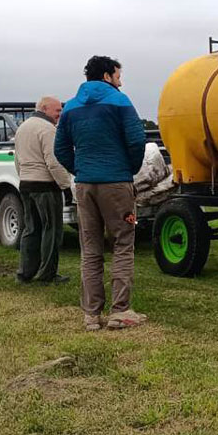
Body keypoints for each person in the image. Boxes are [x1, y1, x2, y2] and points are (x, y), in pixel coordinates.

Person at [55, 56, 148, 331]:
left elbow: (60, 149)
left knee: (90, 248)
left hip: (85, 185)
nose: (121, 82)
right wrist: (128, 169)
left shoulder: (71, 107)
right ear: (107, 76)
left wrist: (79, 169)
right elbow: (137, 140)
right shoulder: (120, 101)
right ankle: (120, 310)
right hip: (116, 182)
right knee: (122, 243)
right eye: (118, 76)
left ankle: (91, 314)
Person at [14, 96, 73, 284]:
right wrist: (65, 186)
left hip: (26, 183)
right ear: (45, 109)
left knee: (30, 229)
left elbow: (17, 160)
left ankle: (25, 272)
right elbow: (53, 162)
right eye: (57, 111)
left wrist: (24, 176)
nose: (60, 114)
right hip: (45, 186)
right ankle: (47, 273)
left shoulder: (23, 128)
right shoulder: (48, 129)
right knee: (52, 230)